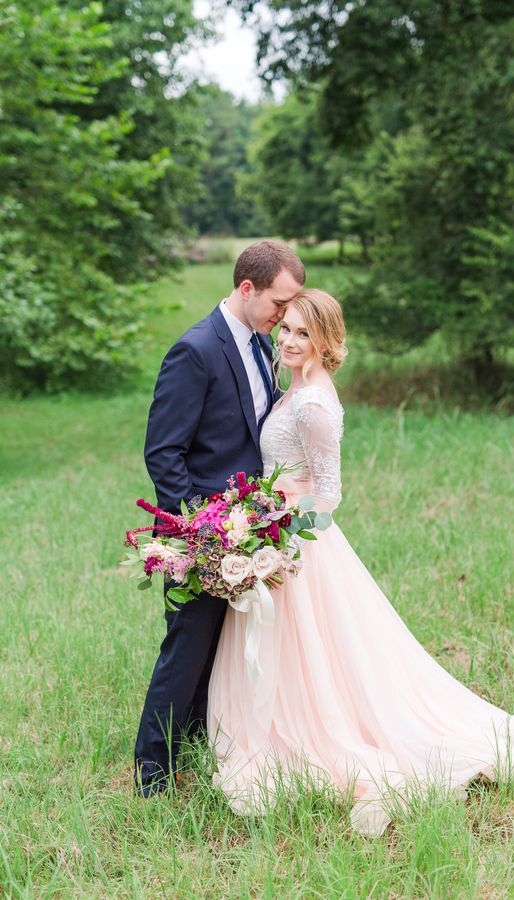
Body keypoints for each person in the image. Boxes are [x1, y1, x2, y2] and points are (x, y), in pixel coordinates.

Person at [207, 288, 514, 836]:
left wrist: (282, 538)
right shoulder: (291, 383)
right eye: (286, 328)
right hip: (272, 529)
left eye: (302, 333)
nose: (289, 340)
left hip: (299, 544)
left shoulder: (316, 402)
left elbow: (329, 493)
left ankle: (326, 735)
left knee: (319, 653)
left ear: (325, 341)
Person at [134, 240, 306, 796]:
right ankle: (151, 770)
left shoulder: (259, 345)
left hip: (244, 527)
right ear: (247, 288)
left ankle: (194, 743)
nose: (286, 315)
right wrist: (198, 532)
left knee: (219, 649)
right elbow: (164, 452)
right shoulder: (197, 349)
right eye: (280, 302)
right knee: (186, 648)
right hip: (203, 533)